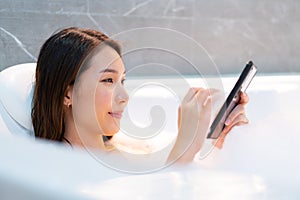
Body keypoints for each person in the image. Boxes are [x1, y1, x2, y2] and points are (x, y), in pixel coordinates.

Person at [31, 27, 249, 164]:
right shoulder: (60, 172)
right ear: (67, 93)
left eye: (122, 81)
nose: (124, 96)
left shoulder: (125, 149)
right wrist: (185, 148)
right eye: (108, 80)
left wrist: (211, 141)